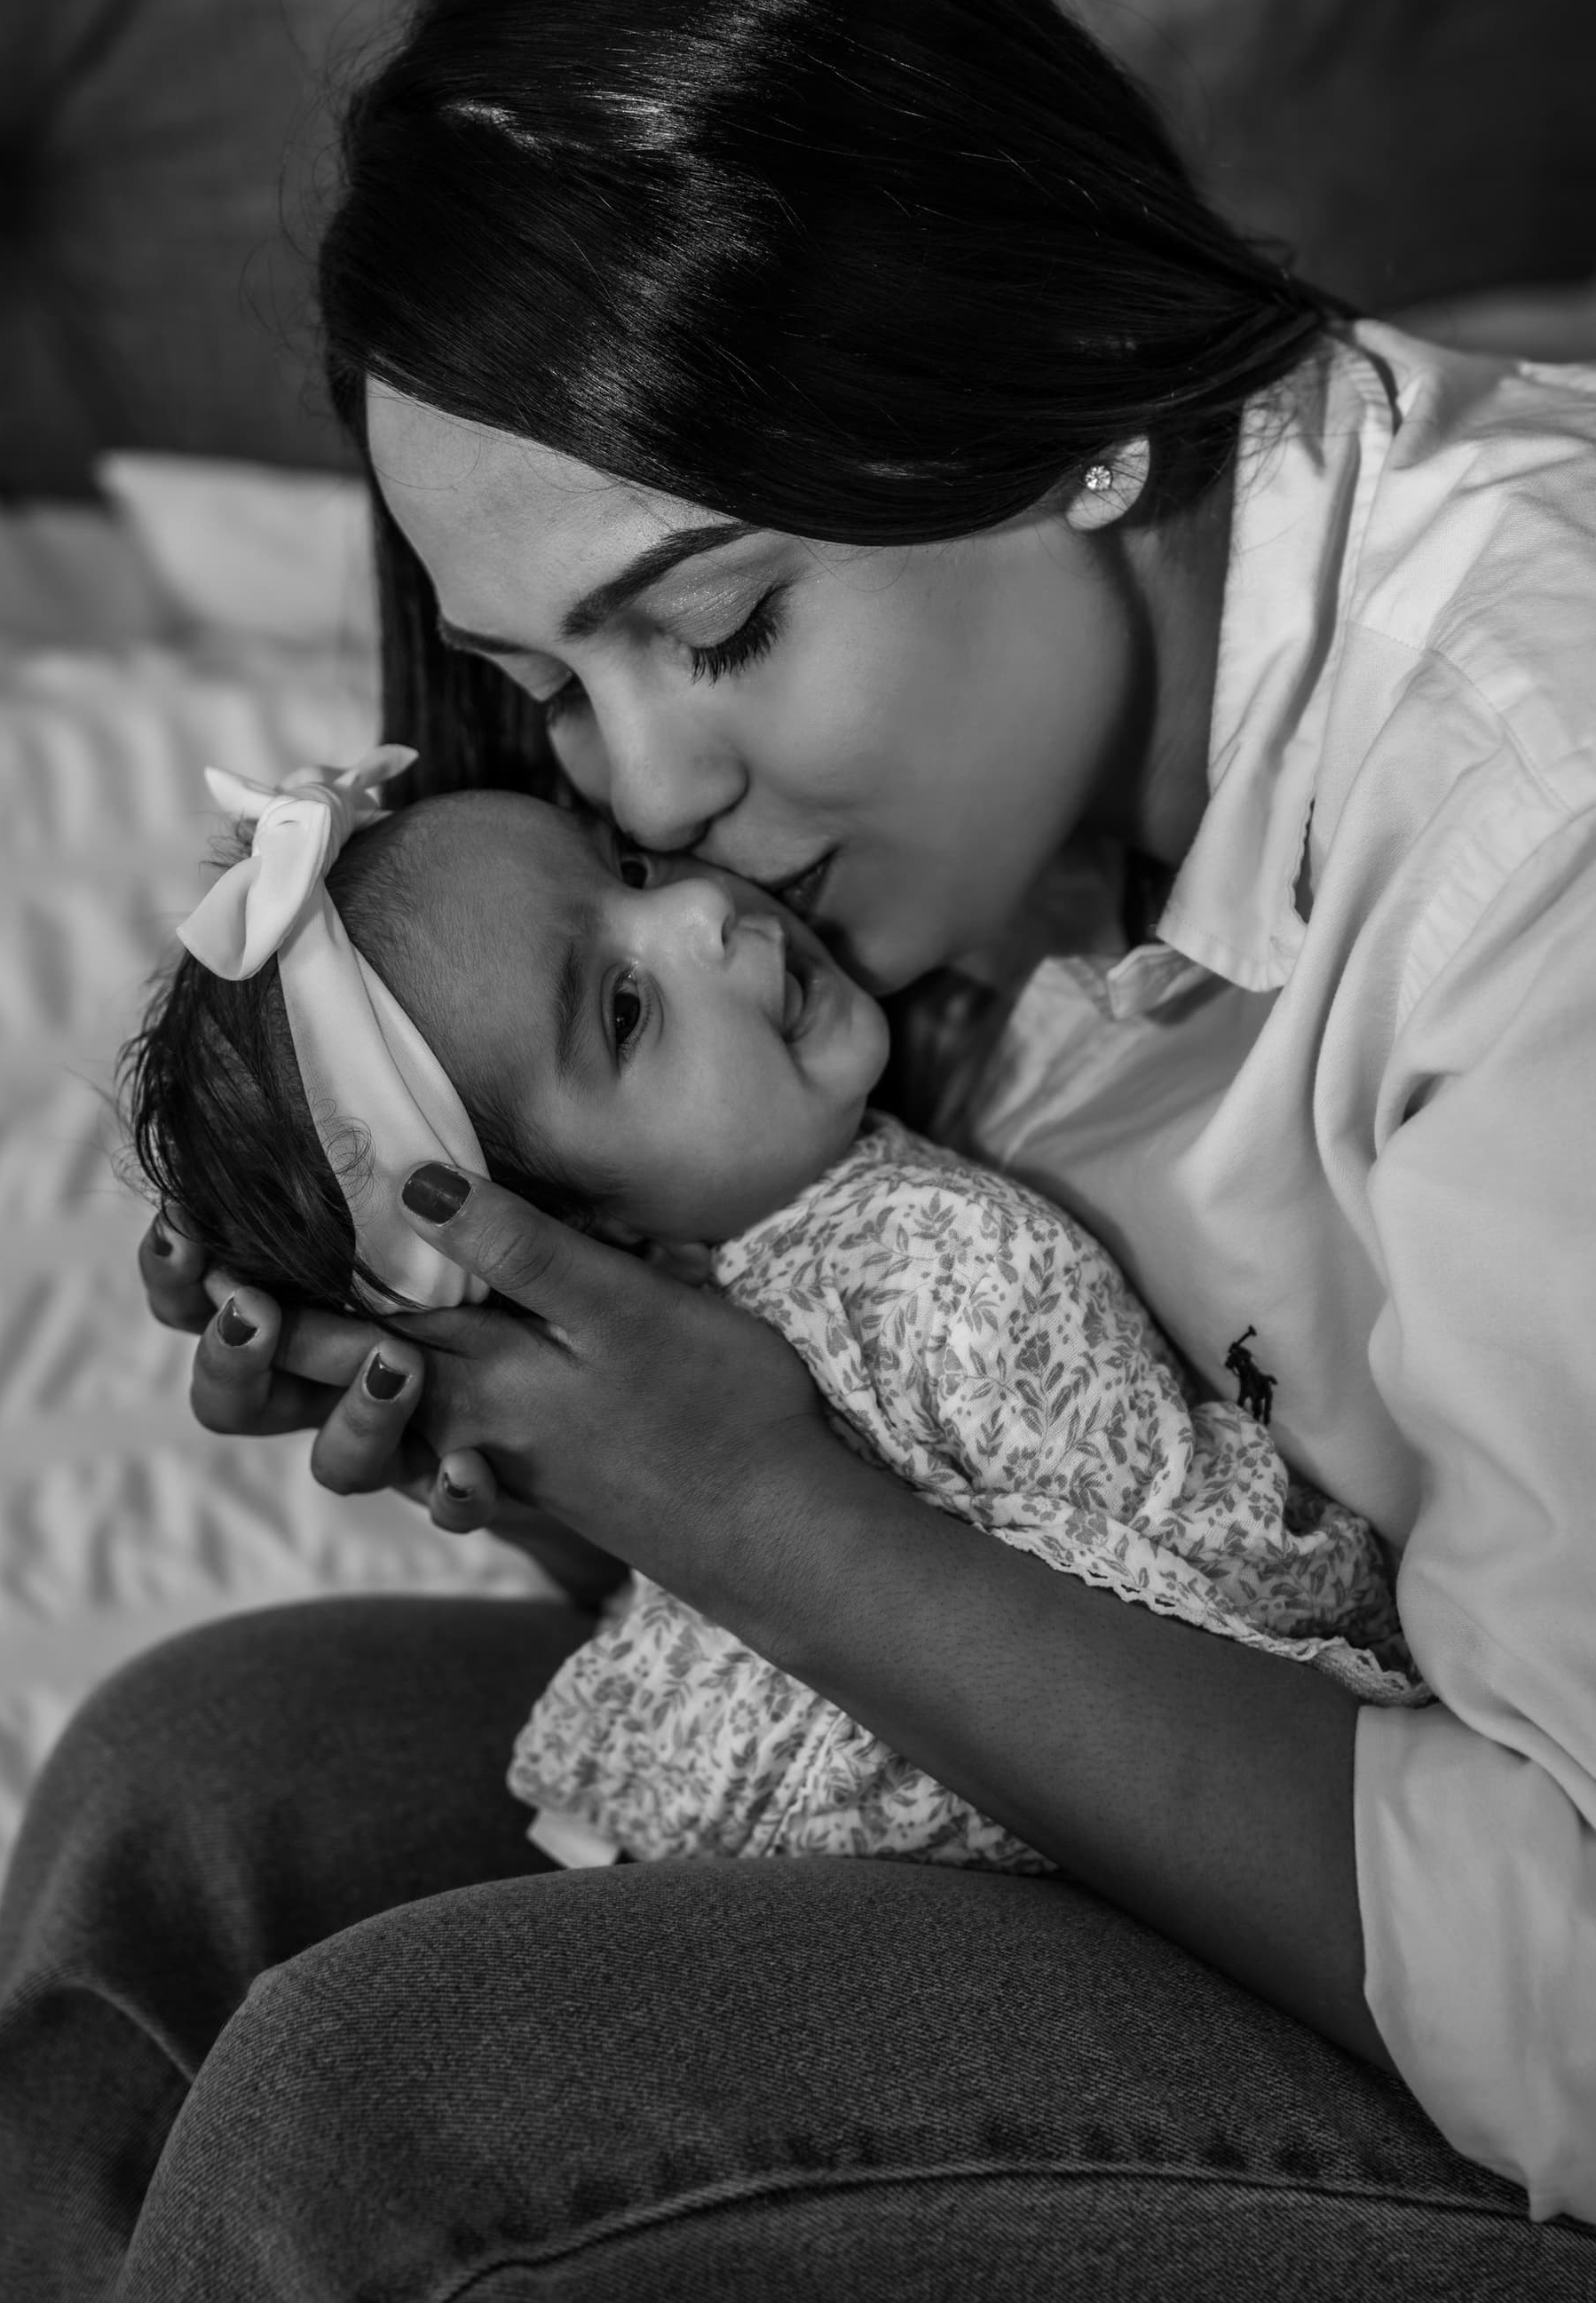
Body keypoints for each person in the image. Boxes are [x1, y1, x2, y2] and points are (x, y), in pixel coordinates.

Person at [0, 0, 1596, 2299]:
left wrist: (767, 1519)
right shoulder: (940, 841)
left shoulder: (1587, 812)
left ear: (1061, 394)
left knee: (388, 2104)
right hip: (1258, 1801)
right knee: (188, 1794)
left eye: (720, 627)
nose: (644, 797)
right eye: (549, 686)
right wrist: (565, 1413)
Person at [126, 758, 1416, 1877]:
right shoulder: (962, 1258)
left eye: (625, 862)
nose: (700, 907)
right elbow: (1238, 1579)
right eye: (623, 1011)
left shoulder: (819, 1265)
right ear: (582, 1242)